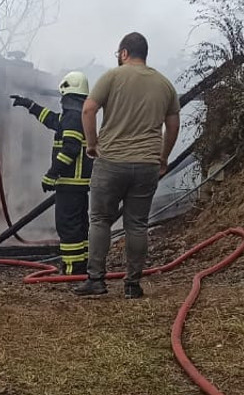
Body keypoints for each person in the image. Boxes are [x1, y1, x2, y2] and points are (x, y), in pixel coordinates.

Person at [73, 32, 180, 299]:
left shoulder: (112, 77)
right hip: (146, 165)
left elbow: (88, 110)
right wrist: (163, 156)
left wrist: (92, 144)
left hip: (111, 162)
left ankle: (96, 280)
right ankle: (132, 284)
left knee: (99, 220)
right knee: (137, 224)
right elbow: (173, 124)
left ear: (123, 53)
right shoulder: (164, 84)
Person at [10, 71, 92, 275]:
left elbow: (71, 149)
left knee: (68, 226)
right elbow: (53, 121)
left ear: (67, 94)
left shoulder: (73, 117)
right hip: (77, 184)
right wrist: (30, 105)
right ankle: (82, 264)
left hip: (70, 182)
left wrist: (51, 174)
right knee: (79, 226)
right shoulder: (76, 115)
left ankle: (73, 270)